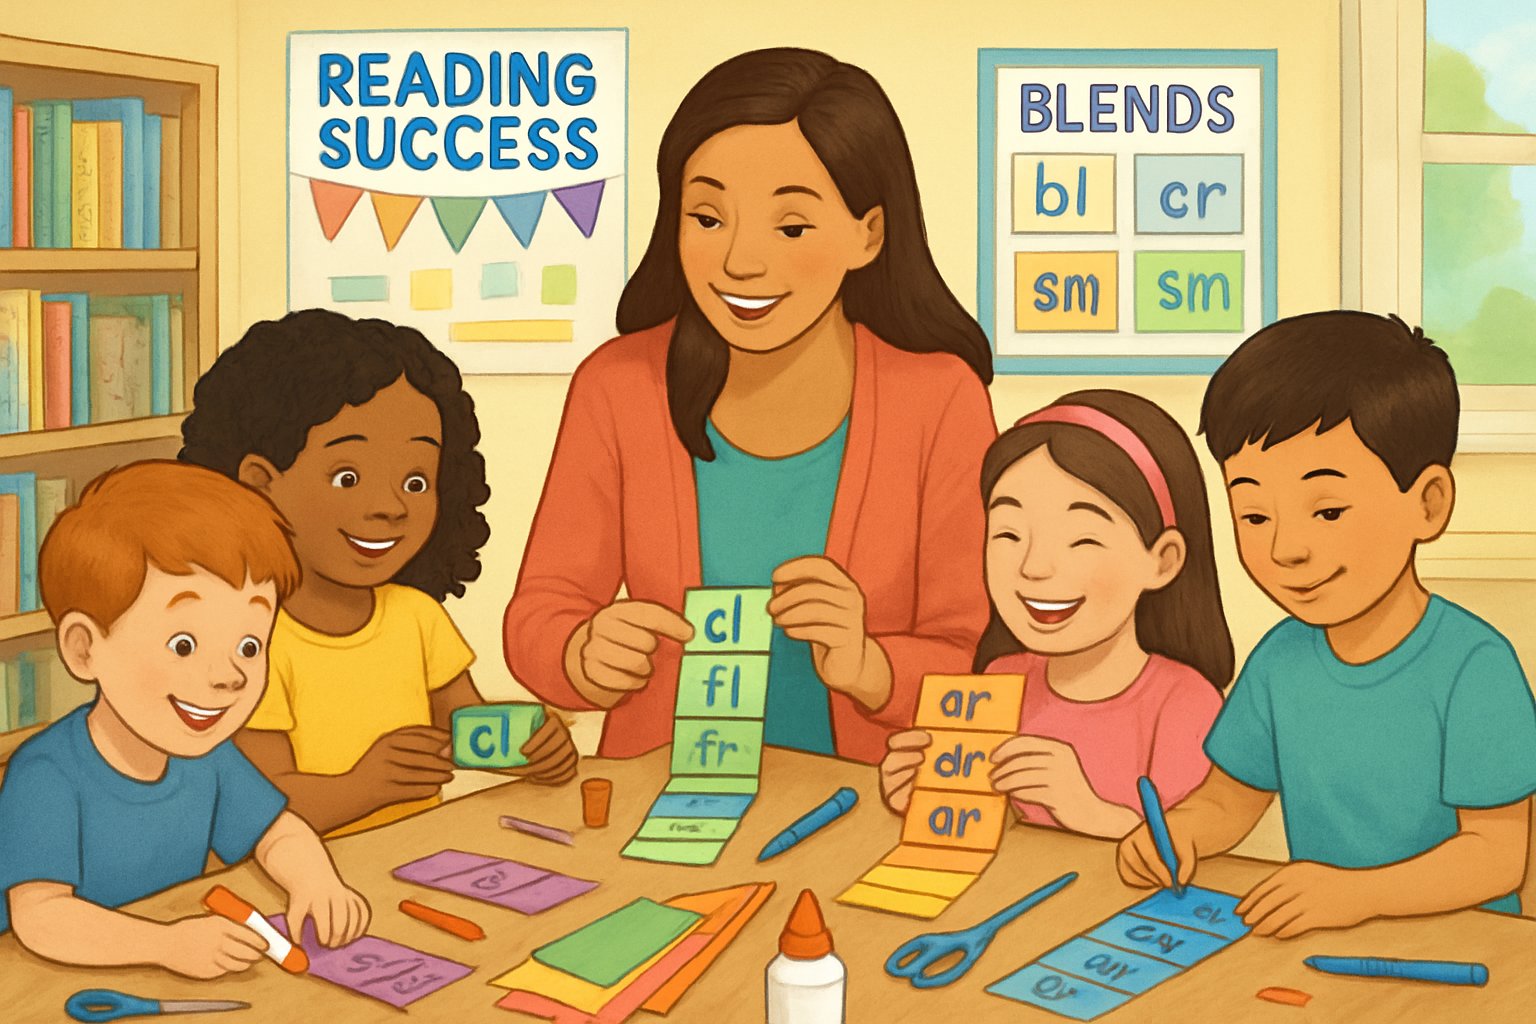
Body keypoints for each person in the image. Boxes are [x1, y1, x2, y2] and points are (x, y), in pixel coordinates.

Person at [505, 47, 997, 764]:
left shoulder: (940, 398)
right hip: (658, 793)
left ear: (869, 234)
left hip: (871, 800)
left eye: (790, 227)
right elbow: (540, 610)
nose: (740, 261)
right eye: (707, 218)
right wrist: (582, 654)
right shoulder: (619, 384)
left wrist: (872, 667)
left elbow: (983, 653)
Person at [1118, 311, 1536, 936]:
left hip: (1462, 951)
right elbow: (1230, 801)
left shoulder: (1474, 667)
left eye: (1329, 509)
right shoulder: (1280, 662)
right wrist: (1175, 833)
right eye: (1255, 516)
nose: (1287, 549)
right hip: (1323, 943)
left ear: (1428, 503)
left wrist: (1358, 895)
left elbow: (1496, 859)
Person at [180, 310, 577, 837]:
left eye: (416, 482)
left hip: (410, 859)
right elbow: (253, 807)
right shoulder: (247, 638)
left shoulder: (415, 616)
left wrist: (532, 746)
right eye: (347, 477)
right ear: (258, 484)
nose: (392, 506)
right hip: (299, 881)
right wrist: (363, 786)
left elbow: (467, 730)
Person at [0, 461, 369, 976]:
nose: (229, 677)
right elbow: (41, 918)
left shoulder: (207, 759)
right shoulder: (45, 774)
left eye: (248, 645)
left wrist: (316, 880)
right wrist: (165, 946)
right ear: (85, 650)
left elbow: (277, 831)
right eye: (184, 644)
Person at [879, 391, 1232, 837]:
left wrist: (1088, 811)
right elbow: (991, 829)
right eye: (1008, 533)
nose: (1033, 567)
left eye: (1081, 539)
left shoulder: (1186, 704)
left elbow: (1184, 855)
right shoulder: (999, 682)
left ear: (1162, 560)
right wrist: (928, 796)